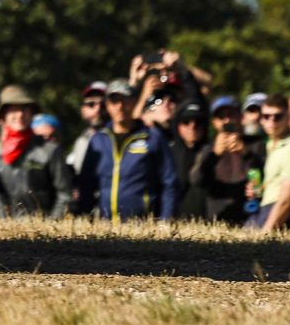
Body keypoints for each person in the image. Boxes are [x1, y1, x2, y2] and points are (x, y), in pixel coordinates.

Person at [75, 79, 178, 221]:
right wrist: (84, 218)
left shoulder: (153, 137)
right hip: (105, 225)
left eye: (125, 100)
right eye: (114, 101)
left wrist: (166, 220)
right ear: (107, 106)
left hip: (144, 225)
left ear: (135, 102)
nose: (120, 106)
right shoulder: (98, 140)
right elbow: (86, 184)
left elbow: (170, 182)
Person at [0, 85, 72, 219]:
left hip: (47, 225)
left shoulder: (50, 150)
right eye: (13, 110)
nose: (20, 115)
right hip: (9, 227)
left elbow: (65, 194)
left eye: (24, 109)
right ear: (3, 116)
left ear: (32, 114)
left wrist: (52, 224)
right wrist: (5, 221)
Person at [252, 95, 290, 232]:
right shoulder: (270, 145)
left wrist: (266, 232)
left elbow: (286, 200)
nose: (271, 121)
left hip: (284, 217)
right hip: (268, 210)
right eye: (266, 116)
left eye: (278, 116)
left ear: (288, 117)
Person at [195, 96, 252, 224]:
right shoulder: (208, 149)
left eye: (231, 114)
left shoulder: (254, 145)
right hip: (218, 220)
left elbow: (261, 178)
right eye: (221, 117)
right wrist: (214, 155)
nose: (227, 120)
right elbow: (197, 180)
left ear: (241, 117)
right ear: (214, 122)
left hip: (250, 218)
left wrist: (246, 154)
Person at [169, 101, 212, 220]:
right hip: (174, 220)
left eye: (198, 122)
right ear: (178, 126)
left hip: (207, 221)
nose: (192, 127)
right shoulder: (168, 152)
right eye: (186, 122)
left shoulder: (212, 152)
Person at [68, 81, 109, 172]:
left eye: (103, 105)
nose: (98, 109)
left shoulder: (117, 136)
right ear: (83, 110)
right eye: (91, 104)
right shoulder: (81, 140)